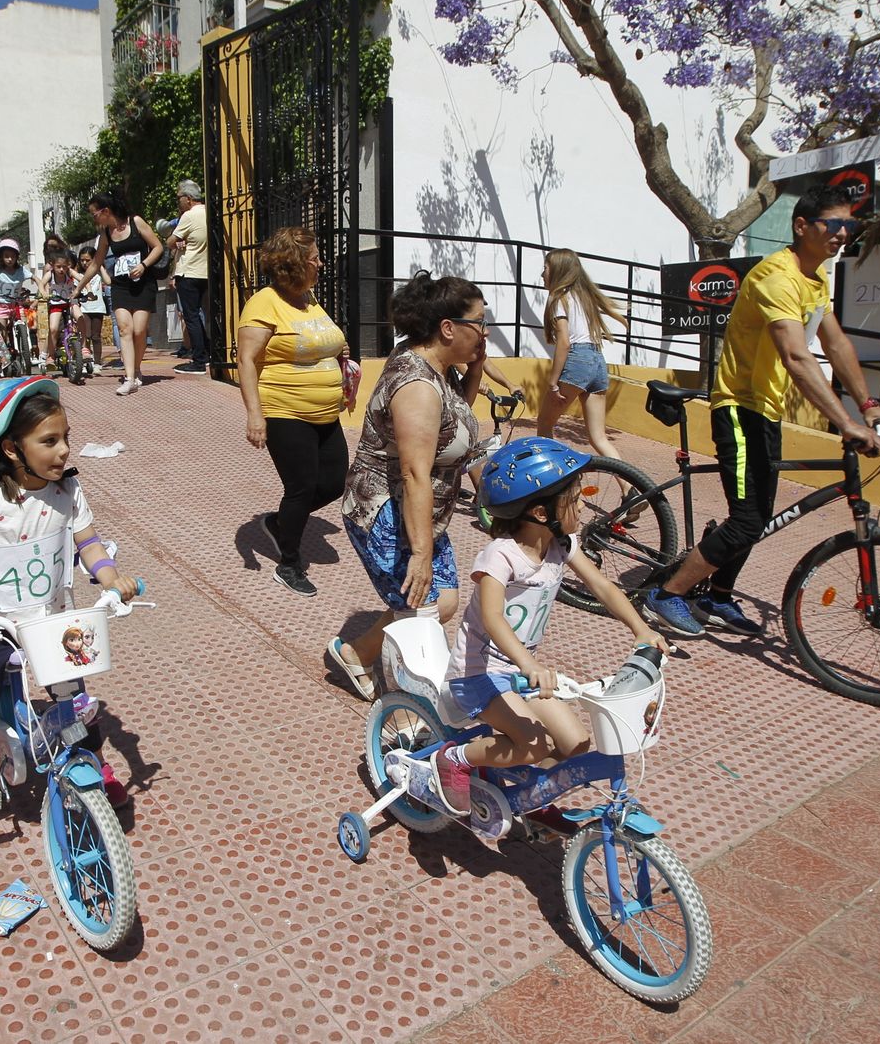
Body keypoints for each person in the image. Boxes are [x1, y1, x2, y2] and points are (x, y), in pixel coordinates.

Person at [642, 185, 880, 638]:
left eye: (851, 226)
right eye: (834, 225)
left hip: (767, 410)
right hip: (740, 407)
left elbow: (835, 343)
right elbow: (798, 357)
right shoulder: (775, 277)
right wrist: (845, 423)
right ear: (801, 226)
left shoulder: (816, 279)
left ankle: (716, 595)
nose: (844, 234)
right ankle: (667, 594)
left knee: (756, 518)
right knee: (746, 520)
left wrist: (868, 404)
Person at [0, 375, 140, 861]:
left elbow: (89, 544)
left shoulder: (69, 490)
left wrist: (109, 575)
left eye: (65, 438)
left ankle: (96, 768)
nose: (63, 451)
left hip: (53, 624)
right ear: (13, 450)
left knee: (79, 710)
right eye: (49, 441)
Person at [430, 437, 667, 813]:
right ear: (541, 513)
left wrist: (641, 628)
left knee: (575, 744)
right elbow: (492, 618)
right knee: (533, 744)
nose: (583, 506)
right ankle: (456, 759)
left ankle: (532, 802)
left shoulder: (563, 544)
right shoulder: (500, 555)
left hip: (521, 674)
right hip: (478, 675)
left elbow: (602, 587)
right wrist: (530, 665)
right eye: (575, 500)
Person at [330, 271, 486, 699]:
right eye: (479, 322)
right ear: (448, 328)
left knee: (443, 602)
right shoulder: (416, 384)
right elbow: (416, 471)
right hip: (386, 511)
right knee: (421, 613)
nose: (485, 332)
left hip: (418, 511)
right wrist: (421, 553)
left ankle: (357, 653)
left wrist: (474, 370)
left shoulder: (436, 367)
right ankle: (407, 708)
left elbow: (451, 423)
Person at [237, 227, 349, 598]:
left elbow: (318, 339)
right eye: (314, 257)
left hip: (326, 415)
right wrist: (255, 415)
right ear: (292, 264)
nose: (320, 262)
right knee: (301, 487)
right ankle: (288, 562)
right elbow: (247, 361)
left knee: (333, 482)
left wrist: (340, 351)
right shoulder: (264, 303)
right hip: (285, 411)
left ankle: (280, 521)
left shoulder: (308, 299)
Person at [535, 248, 628, 465]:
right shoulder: (584, 298)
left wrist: (552, 382)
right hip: (597, 361)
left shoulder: (559, 299)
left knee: (545, 424)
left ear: (558, 271)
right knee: (598, 438)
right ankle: (631, 487)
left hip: (577, 360)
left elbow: (565, 343)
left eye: (545, 269)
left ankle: (553, 482)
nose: (542, 274)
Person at [73, 191, 163, 395]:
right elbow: (96, 263)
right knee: (124, 328)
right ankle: (129, 378)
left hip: (143, 283)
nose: (93, 218)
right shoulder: (106, 234)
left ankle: (137, 368)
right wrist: (79, 287)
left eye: (94, 214)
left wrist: (144, 264)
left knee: (139, 331)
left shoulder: (136, 222)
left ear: (106, 211)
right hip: (121, 285)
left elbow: (157, 247)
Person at [168, 179, 210, 375]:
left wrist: (177, 239)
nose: (179, 202)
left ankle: (199, 360)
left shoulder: (189, 216)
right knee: (202, 315)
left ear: (189, 198)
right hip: (207, 272)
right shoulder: (210, 212)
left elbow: (170, 241)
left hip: (189, 271)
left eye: (179, 198)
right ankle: (208, 353)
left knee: (190, 316)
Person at [0, 238, 33, 360]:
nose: (9, 259)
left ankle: (24, 348)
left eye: (12, 257)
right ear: (1, 257)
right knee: (1, 329)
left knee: (23, 325)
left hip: (16, 304)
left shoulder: (21, 270)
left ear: (17, 257)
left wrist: (42, 289)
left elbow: (36, 279)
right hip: (1, 305)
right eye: (6, 256)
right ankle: (3, 354)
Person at [39, 253, 79, 372]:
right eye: (58, 267)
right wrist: (43, 293)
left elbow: (82, 279)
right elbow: (41, 284)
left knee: (80, 318)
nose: (61, 270)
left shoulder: (70, 273)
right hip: (56, 304)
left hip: (69, 303)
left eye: (64, 267)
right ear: (52, 266)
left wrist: (88, 290)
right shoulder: (50, 274)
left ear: (68, 266)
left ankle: (83, 350)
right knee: (53, 328)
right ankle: (50, 356)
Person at [75, 246, 107, 371]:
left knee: (96, 336)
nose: (84, 263)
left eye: (87, 260)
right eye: (82, 260)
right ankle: (86, 360)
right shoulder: (78, 275)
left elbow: (108, 281)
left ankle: (97, 362)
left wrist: (100, 266)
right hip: (84, 308)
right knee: (85, 335)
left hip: (98, 308)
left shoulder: (98, 273)